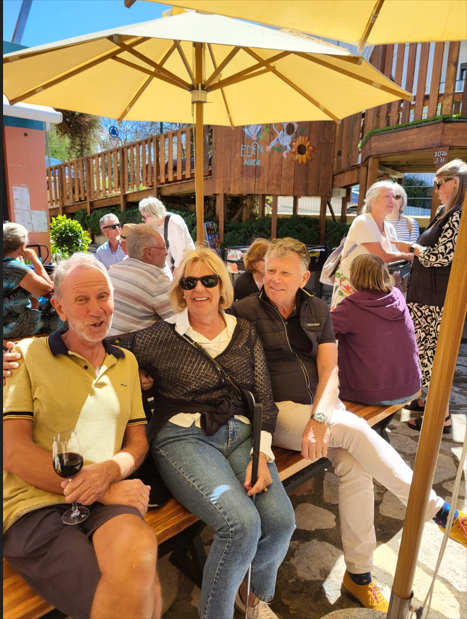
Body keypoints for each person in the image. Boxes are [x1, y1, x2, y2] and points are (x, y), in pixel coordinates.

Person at [230, 237, 466, 613]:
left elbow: (329, 367)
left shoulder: (317, 308)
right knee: (356, 430)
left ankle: (359, 576)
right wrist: (319, 419)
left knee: (356, 469)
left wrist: (321, 417)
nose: (274, 278)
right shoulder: (244, 311)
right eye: (270, 270)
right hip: (279, 412)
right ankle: (438, 510)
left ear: (304, 277)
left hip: (322, 409)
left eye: (285, 272)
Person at [119, 247, 295, 619]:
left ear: (221, 285)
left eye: (209, 280)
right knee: (241, 525)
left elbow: (264, 398)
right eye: (190, 282)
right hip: (184, 438)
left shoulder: (243, 331)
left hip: (243, 435)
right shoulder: (160, 336)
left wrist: (261, 455)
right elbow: (104, 348)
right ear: (180, 290)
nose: (199, 288)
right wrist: (134, 371)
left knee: (281, 522)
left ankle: (251, 594)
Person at [3, 253, 162, 619]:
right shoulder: (26, 355)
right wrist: (102, 489)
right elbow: (13, 452)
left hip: (103, 498)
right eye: (81, 299)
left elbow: (137, 441)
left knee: (142, 566)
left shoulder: (126, 362)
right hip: (36, 506)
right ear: (59, 307)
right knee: (135, 604)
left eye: (103, 296)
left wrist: (110, 471)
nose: (96, 309)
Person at [395, 158, 467, 432]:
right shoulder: (444, 212)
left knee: (435, 357)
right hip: (426, 295)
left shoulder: (458, 215)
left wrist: (411, 248)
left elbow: (441, 257)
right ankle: (429, 401)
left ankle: (442, 416)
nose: (436, 189)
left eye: (439, 183)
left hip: (436, 300)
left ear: (455, 183)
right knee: (425, 354)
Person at [331, 254, 421, 405]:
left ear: (354, 276)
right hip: (409, 387)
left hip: (368, 393)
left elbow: (320, 333)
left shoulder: (351, 306)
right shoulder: (397, 295)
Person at [331, 180, 414, 310]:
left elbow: (392, 259)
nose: (392, 201)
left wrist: (397, 273)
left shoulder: (389, 227)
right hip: (353, 285)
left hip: (376, 287)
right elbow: (382, 256)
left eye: (394, 197)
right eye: (387, 196)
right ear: (373, 201)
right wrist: (406, 255)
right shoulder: (363, 221)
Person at [108, 224, 173, 336]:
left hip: (106, 343)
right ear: (149, 252)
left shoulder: (113, 269)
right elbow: (178, 320)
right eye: (163, 247)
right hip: (130, 345)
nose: (166, 252)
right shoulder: (156, 279)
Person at [3, 222, 64, 339]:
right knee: (66, 319)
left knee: (38, 303)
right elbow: (47, 288)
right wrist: (35, 260)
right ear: (23, 245)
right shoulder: (15, 267)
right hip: (10, 326)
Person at [139, 197, 195, 272]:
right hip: (177, 264)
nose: (142, 219)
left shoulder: (175, 222)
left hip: (189, 263)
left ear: (154, 214)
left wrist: (175, 271)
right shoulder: (155, 224)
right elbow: (164, 248)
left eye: (144, 217)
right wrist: (169, 268)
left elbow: (181, 250)